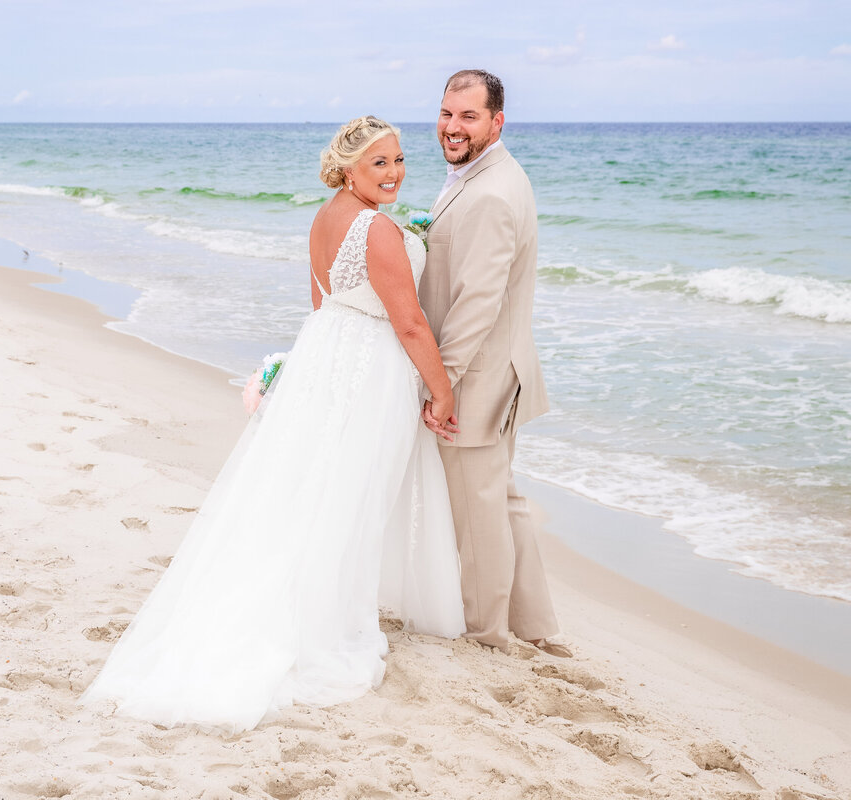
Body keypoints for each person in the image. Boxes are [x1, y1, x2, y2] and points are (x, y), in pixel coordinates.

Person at [81, 116, 466, 734]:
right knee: (350, 497)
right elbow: (411, 325)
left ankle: (307, 601)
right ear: (348, 169)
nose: (394, 173)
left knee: (311, 491)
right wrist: (442, 391)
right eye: (379, 164)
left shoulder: (325, 218)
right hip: (368, 371)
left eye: (398, 160)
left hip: (328, 356)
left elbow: (322, 304)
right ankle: (323, 623)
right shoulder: (378, 230)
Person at [417, 70, 568, 657]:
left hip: (477, 376)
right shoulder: (482, 176)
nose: (453, 127)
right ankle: (534, 624)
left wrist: (442, 384)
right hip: (498, 369)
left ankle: (488, 633)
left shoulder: (490, 193)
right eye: (447, 113)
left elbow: (477, 302)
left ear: (496, 122)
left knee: (479, 512)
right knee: (501, 501)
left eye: (468, 117)